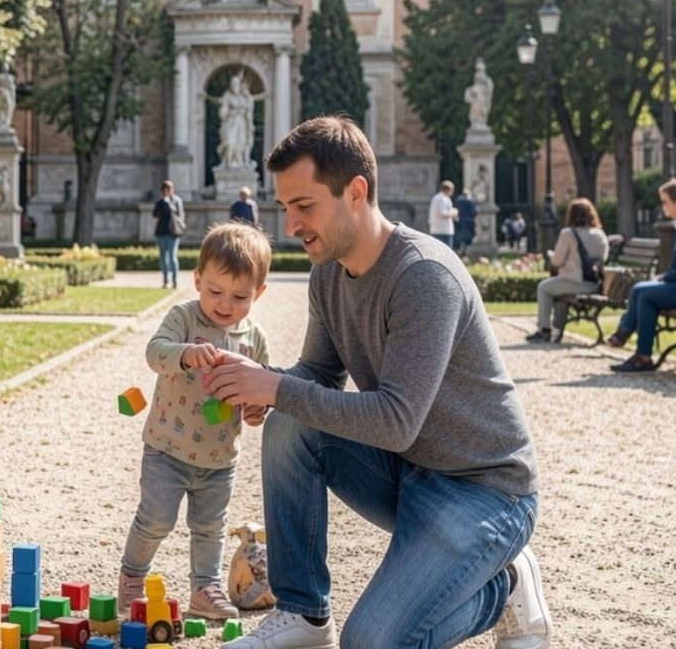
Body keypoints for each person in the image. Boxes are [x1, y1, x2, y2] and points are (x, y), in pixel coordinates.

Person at [201, 115, 549, 649]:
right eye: (286, 207)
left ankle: (504, 586)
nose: (289, 225)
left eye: (304, 206)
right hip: (410, 476)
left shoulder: (425, 277)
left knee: (370, 643)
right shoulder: (328, 273)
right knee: (291, 421)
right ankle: (304, 615)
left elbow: (396, 421)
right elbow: (315, 377)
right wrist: (257, 383)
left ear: (356, 191)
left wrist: (275, 389)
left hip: (485, 491)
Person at [118, 222, 272, 622]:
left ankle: (205, 587)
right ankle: (133, 576)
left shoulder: (254, 338)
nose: (224, 304)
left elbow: (260, 393)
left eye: (240, 296)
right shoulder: (184, 318)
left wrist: (257, 408)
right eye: (215, 291)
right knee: (156, 518)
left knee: (210, 527)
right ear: (198, 280)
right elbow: (155, 353)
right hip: (167, 447)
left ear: (259, 293)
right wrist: (185, 354)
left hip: (220, 456)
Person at [606, 178, 676, 372]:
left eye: (665, 202)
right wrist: (665, 277)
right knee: (639, 289)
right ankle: (626, 337)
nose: (663, 207)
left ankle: (641, 355)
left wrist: (665, 278)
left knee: (647, 294)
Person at [526, 198, 608, 344]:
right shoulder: (600, 234)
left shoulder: (568, 233)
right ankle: (557, 327)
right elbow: (602, 258)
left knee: (544, 287)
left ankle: (544, 329)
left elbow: (557, 261)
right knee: (558, 289)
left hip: (575, 281)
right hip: (594, 284)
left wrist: (551, 255)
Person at [217, 74, 255, 169]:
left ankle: (240, 163)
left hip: (242, 124)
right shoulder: (227, 96)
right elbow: (223, 113)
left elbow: (249, 110)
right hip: (231, 123)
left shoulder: (244, 97)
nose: (235, 85)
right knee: (230, 143)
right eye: (233, 83)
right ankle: (228, 164)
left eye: (236, 83)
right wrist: (225, 109)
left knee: (241, 144)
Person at [153, 180, 185, 289]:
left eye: (169, 189)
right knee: (163, 257)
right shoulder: (160, 202)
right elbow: (155, 214)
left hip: (173, 233)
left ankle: (175, 281)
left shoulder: (177, 201)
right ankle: (165, 280)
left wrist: (169, 204)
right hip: (161, 232)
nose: (167, 191)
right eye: (165, 189)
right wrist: (163, 203)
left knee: (172, 257)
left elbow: (180, 216)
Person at [428, 179, 458, 249]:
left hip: (439, 229)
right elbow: (442, 214)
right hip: (442, 230)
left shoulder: (440, 198)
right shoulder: (441, 199)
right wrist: (454, 213)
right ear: (448, 189)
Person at [455, 188, 477, 254]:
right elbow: (474, 211)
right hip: (469, 221)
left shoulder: (458, 200)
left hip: (460, 221)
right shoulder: (470, 201)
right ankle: (465, 251)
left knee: (460, 235)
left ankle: (460, 249)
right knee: (468, 237)